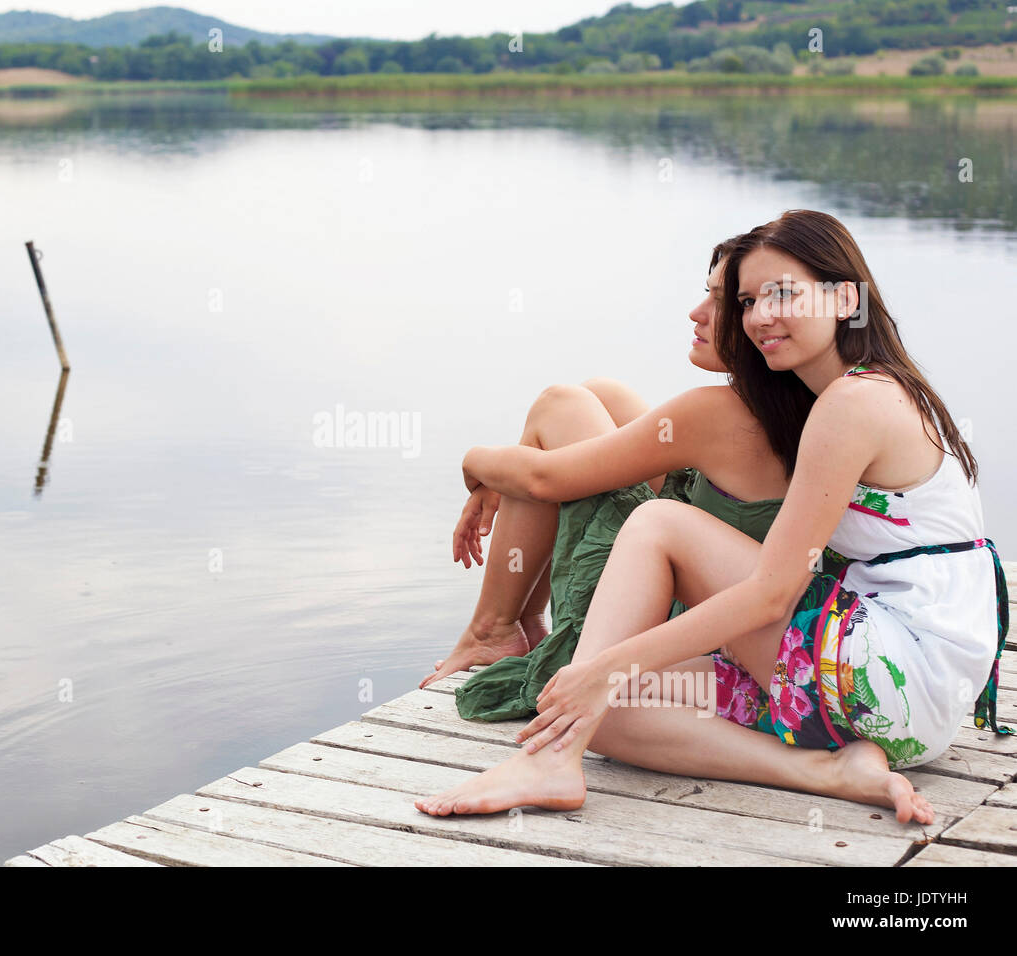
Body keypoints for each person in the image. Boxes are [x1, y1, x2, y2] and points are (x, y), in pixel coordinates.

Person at [416, 209, 1007, 825]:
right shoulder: (856, 394)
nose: (759, 316)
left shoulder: (855, 402)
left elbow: (772, 595)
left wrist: (603, 666)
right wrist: (600, 681)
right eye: (749, 300)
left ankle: (551, 760)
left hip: (895, 673)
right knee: (603, 707)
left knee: (656, 529)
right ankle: (830, 771)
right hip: (906, 707)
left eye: (782, 293)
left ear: (844, 297)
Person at [437, 238, 794, 727]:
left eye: (724, 301)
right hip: (735, 604)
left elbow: (542, 479)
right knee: (603, 395)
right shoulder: (793, 397)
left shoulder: (715, 415)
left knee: (557, 408)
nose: (696, 313)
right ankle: (519, 620)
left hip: (676, 626)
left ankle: (493, 626)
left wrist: (474, 464)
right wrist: (501, 476)